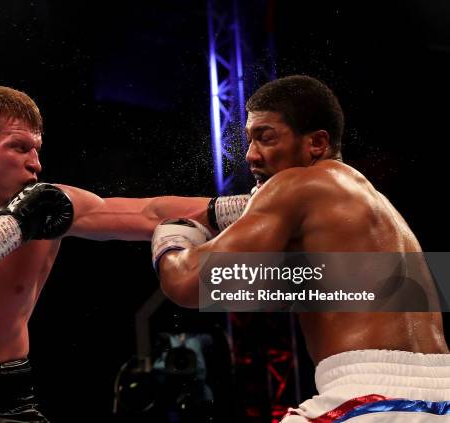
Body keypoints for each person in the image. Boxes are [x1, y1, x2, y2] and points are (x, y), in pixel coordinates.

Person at [0, 84, 251, 422]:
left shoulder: (51, 208)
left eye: (37, 148)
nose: (36, 162)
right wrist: (13, 225)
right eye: (19, 147)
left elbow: (148, 212)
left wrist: (258, 206)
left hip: (5, 405)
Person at [152, 75, 450, 421]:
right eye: (249, 140)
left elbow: (191, 284)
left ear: (317, 143)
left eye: (265, 138)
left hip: (367, 397)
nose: (250, 155)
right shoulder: (380, 211)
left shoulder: (296, 183)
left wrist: (170, 241)